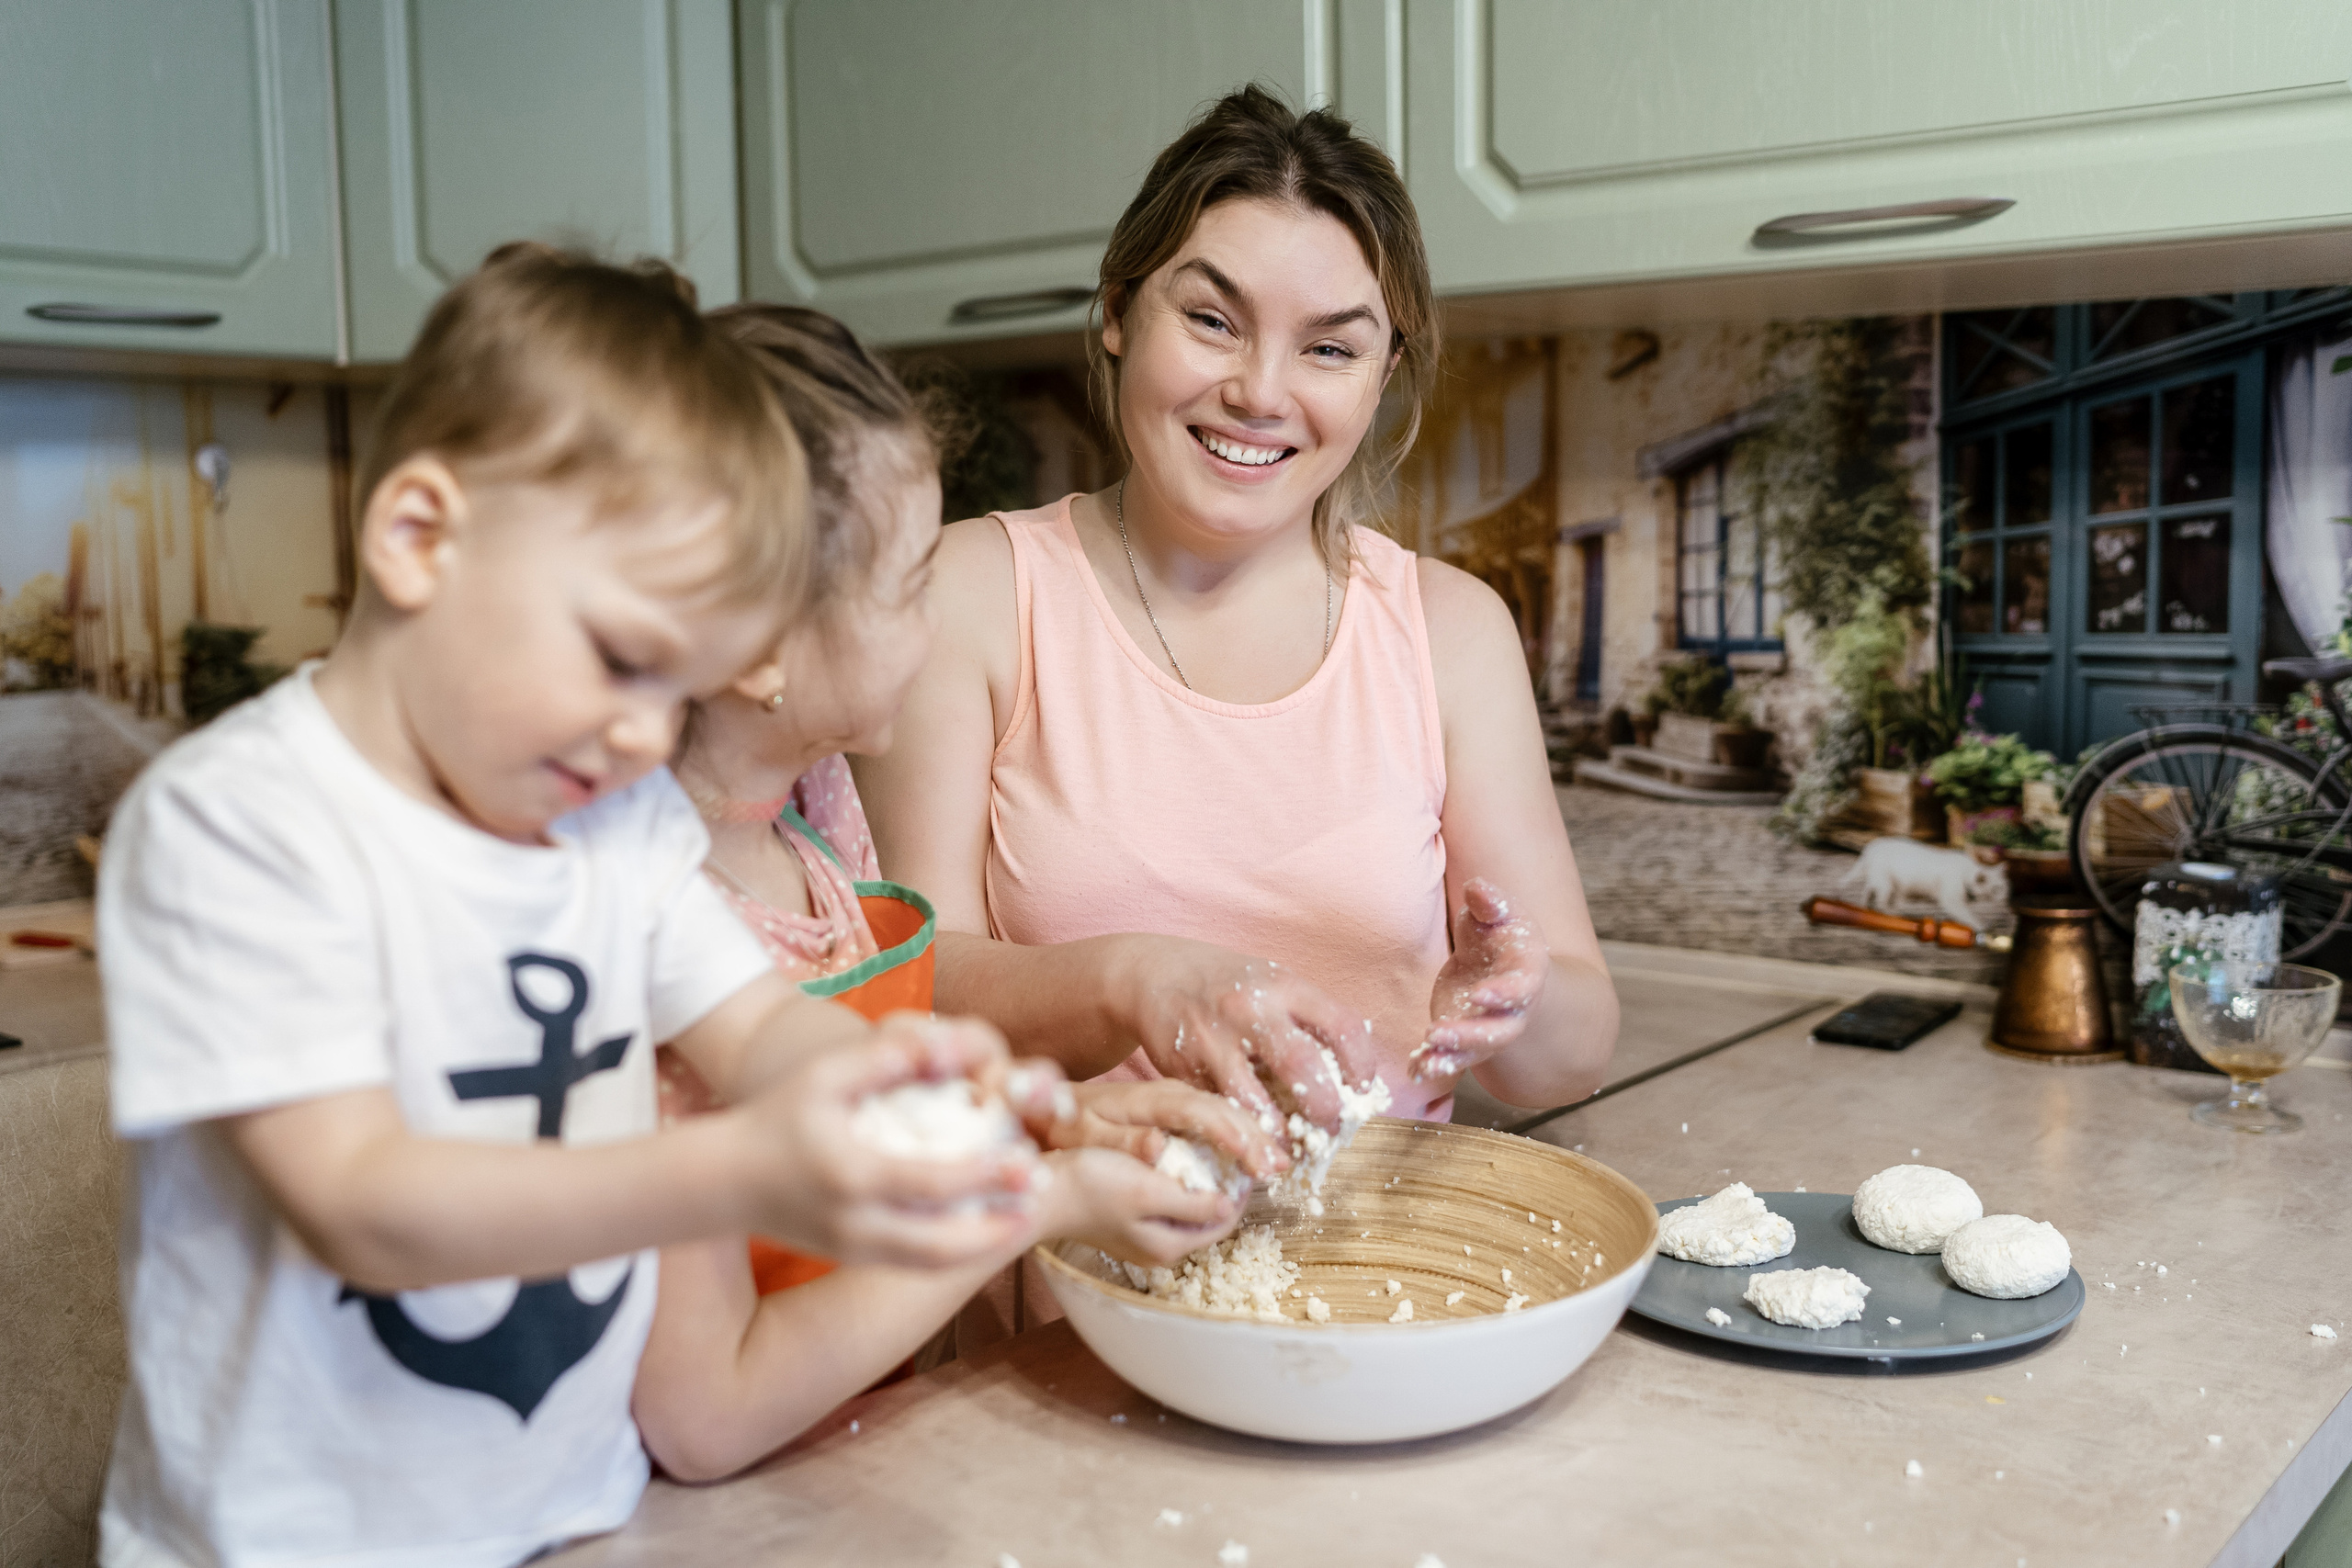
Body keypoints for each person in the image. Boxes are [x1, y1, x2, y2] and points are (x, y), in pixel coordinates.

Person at [96, 247, 1057, 1568]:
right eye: (617, 655)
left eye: (678, 683)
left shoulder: (613, 822)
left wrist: (919, 1089)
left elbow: (760, 1033)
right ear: (420, 535)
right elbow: (363, 1201)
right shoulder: (238, 826)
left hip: (577, 1519)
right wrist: (744, 1165)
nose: (642, 730)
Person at [860, 85, 1618, 1133]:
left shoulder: (1450, 631)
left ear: (1382, 373)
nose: (1262, 392)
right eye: (1212, 321)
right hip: (1061, 1260)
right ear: (1120, 312)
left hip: (1368, 1272)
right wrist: (1134, 981)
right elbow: (908, 990)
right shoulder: (972, 594)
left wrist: (1512, 1003)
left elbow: (1566, 1061)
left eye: (1330, 348)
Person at [631, 305, 1272, 1478]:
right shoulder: (641, 934)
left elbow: (872, 1126)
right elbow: (703, 1417)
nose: (938, 629)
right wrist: (1041, 1195)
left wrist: (1058, 1121)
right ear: (762, 652)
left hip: (849, 1460)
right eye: (908, 585)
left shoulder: (810, 825)